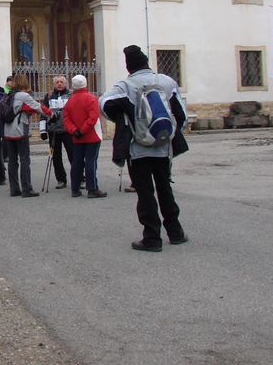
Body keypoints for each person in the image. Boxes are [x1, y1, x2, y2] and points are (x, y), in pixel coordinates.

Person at [100, 45, 188, 252]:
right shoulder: (167, 82)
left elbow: (103, 104)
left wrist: (124, 119)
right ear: (147, 62)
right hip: (163, 147)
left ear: (128, 67)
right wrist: (168, 135)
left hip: (138, 148)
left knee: (145, 192)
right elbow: (181, 115)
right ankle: (175, 232)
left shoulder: (126, 86)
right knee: (165, 188)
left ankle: (152, 238)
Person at [2, 73, 51, 198]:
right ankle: (26, 188)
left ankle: (14, 188)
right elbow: (38, 107)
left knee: (12, 161)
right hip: (20, 130)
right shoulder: (23, 95)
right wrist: (52, 114)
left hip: (8, 131)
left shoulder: (9, 95)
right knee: (24, 160)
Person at [63, 75, 106, 198]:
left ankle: (75, 188)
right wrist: (83, 130)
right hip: (91, 135)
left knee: (77, 162)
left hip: (77, 136)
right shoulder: (91, 99)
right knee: (91, 162)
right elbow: (93, 117)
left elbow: (66, 119)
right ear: (85, 84)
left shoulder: (70, 101)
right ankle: (92, 188)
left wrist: (74, 130)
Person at [41, 75, 74, 190]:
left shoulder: (71, 95)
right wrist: (42, 130)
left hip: (68, 130)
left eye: (61, 82)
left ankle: (79, 178)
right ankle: (61, 179)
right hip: (53, 130)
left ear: (65, 83)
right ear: (54, 84)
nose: (59, 84)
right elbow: (43, 113)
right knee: (55, 156)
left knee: (73, 155)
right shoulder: (48, 96)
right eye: (57, 82)